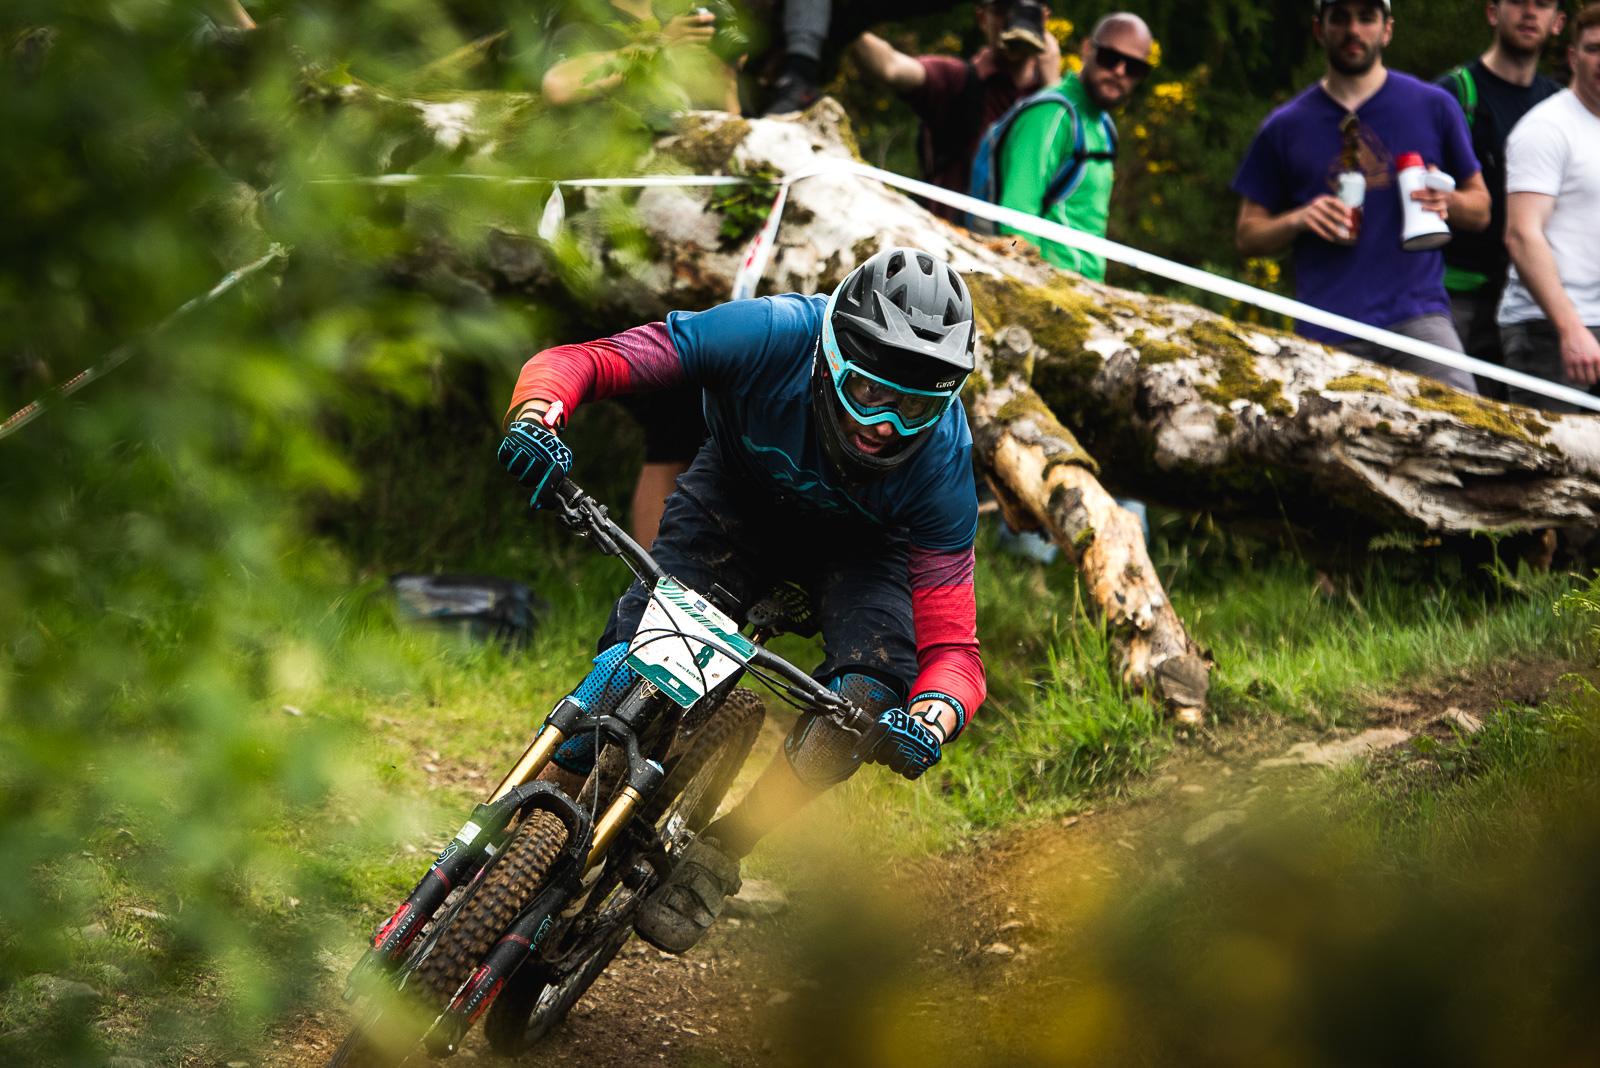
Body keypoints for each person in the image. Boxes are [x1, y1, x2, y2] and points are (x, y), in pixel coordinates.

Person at [497, 248, 986, 953]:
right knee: (625, 670)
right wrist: (539, 414)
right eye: (870, 393)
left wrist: (930, 718)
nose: (887, 426)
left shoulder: (941, 461)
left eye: (915, 408)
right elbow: (588, 359)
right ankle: (528, 826)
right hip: (736, 502)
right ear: (829, 357)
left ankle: (724, 851)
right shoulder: (769, 333)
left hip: (862, 553)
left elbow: (955, 655)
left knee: (864, 702)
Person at [540, 0, 739, 543]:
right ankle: (661, 584)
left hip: (689, 260)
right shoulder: (585, 17)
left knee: (694, 423)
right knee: (671, 421)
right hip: (607, 257)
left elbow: (733, 134)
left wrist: (720, 72)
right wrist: (654, 49)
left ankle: (679, 581)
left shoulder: (685, 22)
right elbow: (558, 84)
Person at [1232, 0, 1491, 393]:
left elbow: (1482, 208)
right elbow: (1247, 235)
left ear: (1387, 29)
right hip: (1326, 325)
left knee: (1471, 434)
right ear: (1320, 30)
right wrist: (1300, 218)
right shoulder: (1284, 126)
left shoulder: (1433, 105)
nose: (1354, 30)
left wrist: (1448, 202)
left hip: (1417, 318)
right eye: (1340, 18)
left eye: (1367, 17)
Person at [1437, 0, 1567, 396]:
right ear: (1492, 12)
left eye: (1542, 4)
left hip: (1533, 301)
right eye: (1518, 1)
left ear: (1558, 22)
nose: (1530, 12)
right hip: (1460, 295)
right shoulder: (1454, 94)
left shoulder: (1561, 105)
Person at [848, 0, 1061, 219]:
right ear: (982, 18)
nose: (1012, 20)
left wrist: (1053, 88)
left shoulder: (1058, 99)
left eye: (1025, 10)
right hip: (953, 242)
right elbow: (889, 67)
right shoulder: (957, 81)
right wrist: (844, 19)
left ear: (1044, 19)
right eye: (1001, 10)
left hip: (1024, 246)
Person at [995, 12, 1153, 280]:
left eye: (1134, 67)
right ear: (1087, 49)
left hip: (1085, 292)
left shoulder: (1104, 125)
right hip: (1045, 291)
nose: (1119, 71)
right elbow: (1016, 221)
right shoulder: (1050, 114)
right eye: (1110, 58)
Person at [1498, 2, 1600, 412]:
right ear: (1574, 58)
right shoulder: (1546, 128)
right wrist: (1570, 328)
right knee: (1552, 472)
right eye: (1593, 48)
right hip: (1549, 332)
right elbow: (1522, 235)